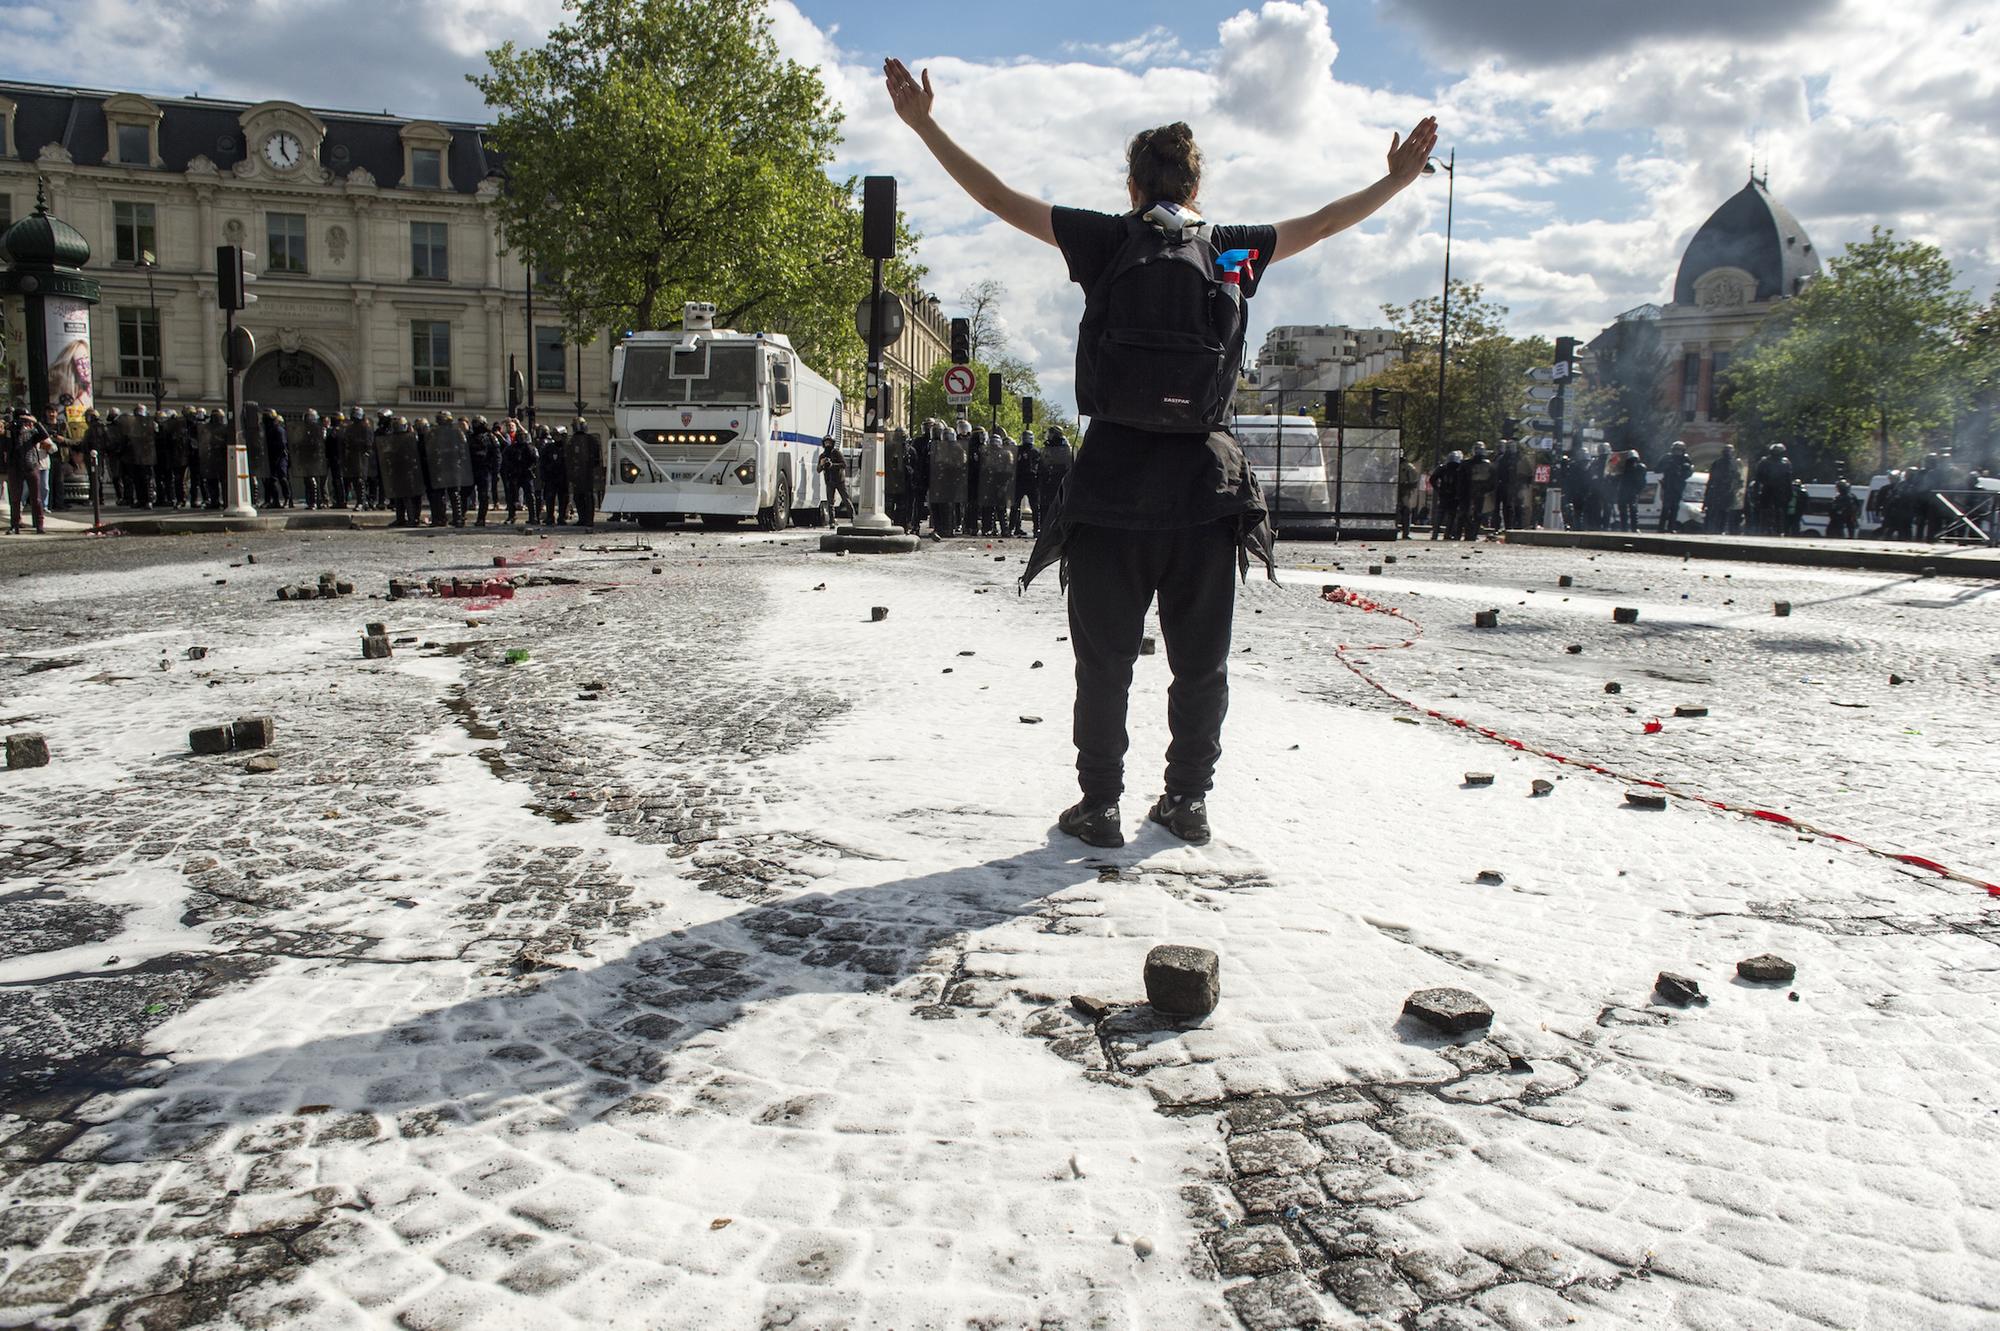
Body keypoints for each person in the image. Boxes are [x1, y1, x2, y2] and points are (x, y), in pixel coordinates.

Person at [888, 55, 1435, 847]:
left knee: (1104, 661)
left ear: (1133, 187)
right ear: (1196, 187)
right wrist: (1394, 183)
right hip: (1206, 491)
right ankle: (1187, 802)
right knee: (1199, 664)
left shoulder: (1108, 242)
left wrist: (924, 125)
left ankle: (1100, 804)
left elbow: (1000, 199)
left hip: (1110, 484)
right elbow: (1320, 223)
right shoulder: (1232, 252)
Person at [7, 406, 54, 534]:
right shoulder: (10, 431)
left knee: (36, 498)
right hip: (15, 467)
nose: (24, 423)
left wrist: (35, 422)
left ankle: (39, 525)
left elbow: (45, 435)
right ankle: (14, 525)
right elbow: (7, 444)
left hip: (31, 465)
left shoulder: (32, 432)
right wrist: (11, 426)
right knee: (16, 498)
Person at [816, 434, 853, 526]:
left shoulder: (837, 453)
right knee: (830, 502)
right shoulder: (822, 456)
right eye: (826, 443)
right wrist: (822, 464)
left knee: (845, 499)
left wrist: (833, 465)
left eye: (829, 443)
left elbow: (844, 464)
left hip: (839, 480)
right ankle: (832, 521)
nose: (827, 445)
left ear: (832, 443)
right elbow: (818, 470)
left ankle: (853, 517)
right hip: (829, 481)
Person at [1657, 441, 1692, 532]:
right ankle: (1661, 527)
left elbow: (1689, 472)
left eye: (1680, 450)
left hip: (1678, 486)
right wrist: (1667, 466)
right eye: (1676, 450)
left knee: (1675, 508)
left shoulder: (1685, 459)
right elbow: (1657, 469)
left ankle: (1671, 527)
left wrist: (1682, 471)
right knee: (1666, 507)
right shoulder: (1667, 458)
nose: (1677, 452)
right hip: (1668, 485)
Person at [1707, 443, 1742, 534]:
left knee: (1726, 511)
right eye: (1726, 451)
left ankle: (1723, 528)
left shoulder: (1734, 463)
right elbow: (1712, 477)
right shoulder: (1718, 462)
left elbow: (1737, 476)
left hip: (1729, 490)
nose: (1728, 453)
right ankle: (1716, 529)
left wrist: (1736, 485)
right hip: (1718, 490)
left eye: (1730, 451)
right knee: (1717, 510)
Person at [1011, 432, 1040, 537]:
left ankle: (1014, 528)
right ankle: (1035, 528)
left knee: (1029, 506)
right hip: (1026, 480)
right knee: (1032, 507)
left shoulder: (1034, 451)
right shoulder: (1034, 451)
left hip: (1025, 480)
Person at [1614, 449, 1645, 532]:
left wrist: (1637, 490)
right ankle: (1627, 528)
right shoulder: (1621, 468)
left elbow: (1641, 482)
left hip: (1629, 491)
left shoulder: (1639, 468)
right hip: (1625, 491)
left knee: (1632, 510)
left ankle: (1632, 528)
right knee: (1627, 510)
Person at [1396, 454, 1419, 538]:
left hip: (1404, 491)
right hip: (1402, 491)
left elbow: (1414, 481)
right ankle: (1405, 533)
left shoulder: (1407, 467)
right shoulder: (1409, 466)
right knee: (1405, 512)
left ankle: (1405, 532)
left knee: (1405, 511)